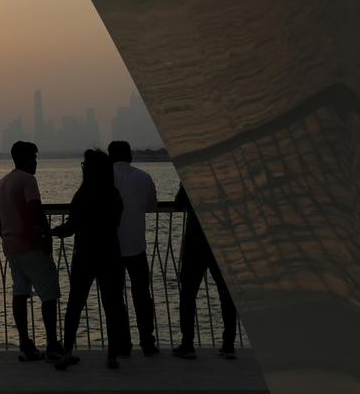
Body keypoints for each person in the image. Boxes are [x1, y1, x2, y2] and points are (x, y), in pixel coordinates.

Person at [52, 149, 128, 371]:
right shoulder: (114, 195)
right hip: (111, 255)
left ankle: (67, 351)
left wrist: (53, 231)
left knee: (75, 304)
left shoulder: (82, 195)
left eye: (85, 165)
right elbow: (115, 223)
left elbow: (71, 226)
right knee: (112, 305)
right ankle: (112, 354)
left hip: (85, 255)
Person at [0, 141, 64, 363]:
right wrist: (43, 237)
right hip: (30, 246)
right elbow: (35, 210)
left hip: (11, 246)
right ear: (26, 159)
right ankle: (52, 344)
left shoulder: (4, 181)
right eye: (34, 158)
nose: (36, 163)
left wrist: (3, 232)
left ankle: (25, 343)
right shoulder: (28, 180)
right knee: (49, 293)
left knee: (20, 293)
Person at [172, 183, 238, 360]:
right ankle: (229, 345)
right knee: (226, 294)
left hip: (196, 242)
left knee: (188, 294)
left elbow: (178, 204)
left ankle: (187, 344)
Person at [110, 140, 160, 356]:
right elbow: (152, 205)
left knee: (115, 296)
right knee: (141, 294)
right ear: (129, 155)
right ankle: (147, 338)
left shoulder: (104, 178)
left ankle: (123, 341)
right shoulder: (144, 177)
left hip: (112, 246)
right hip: (137, 244)